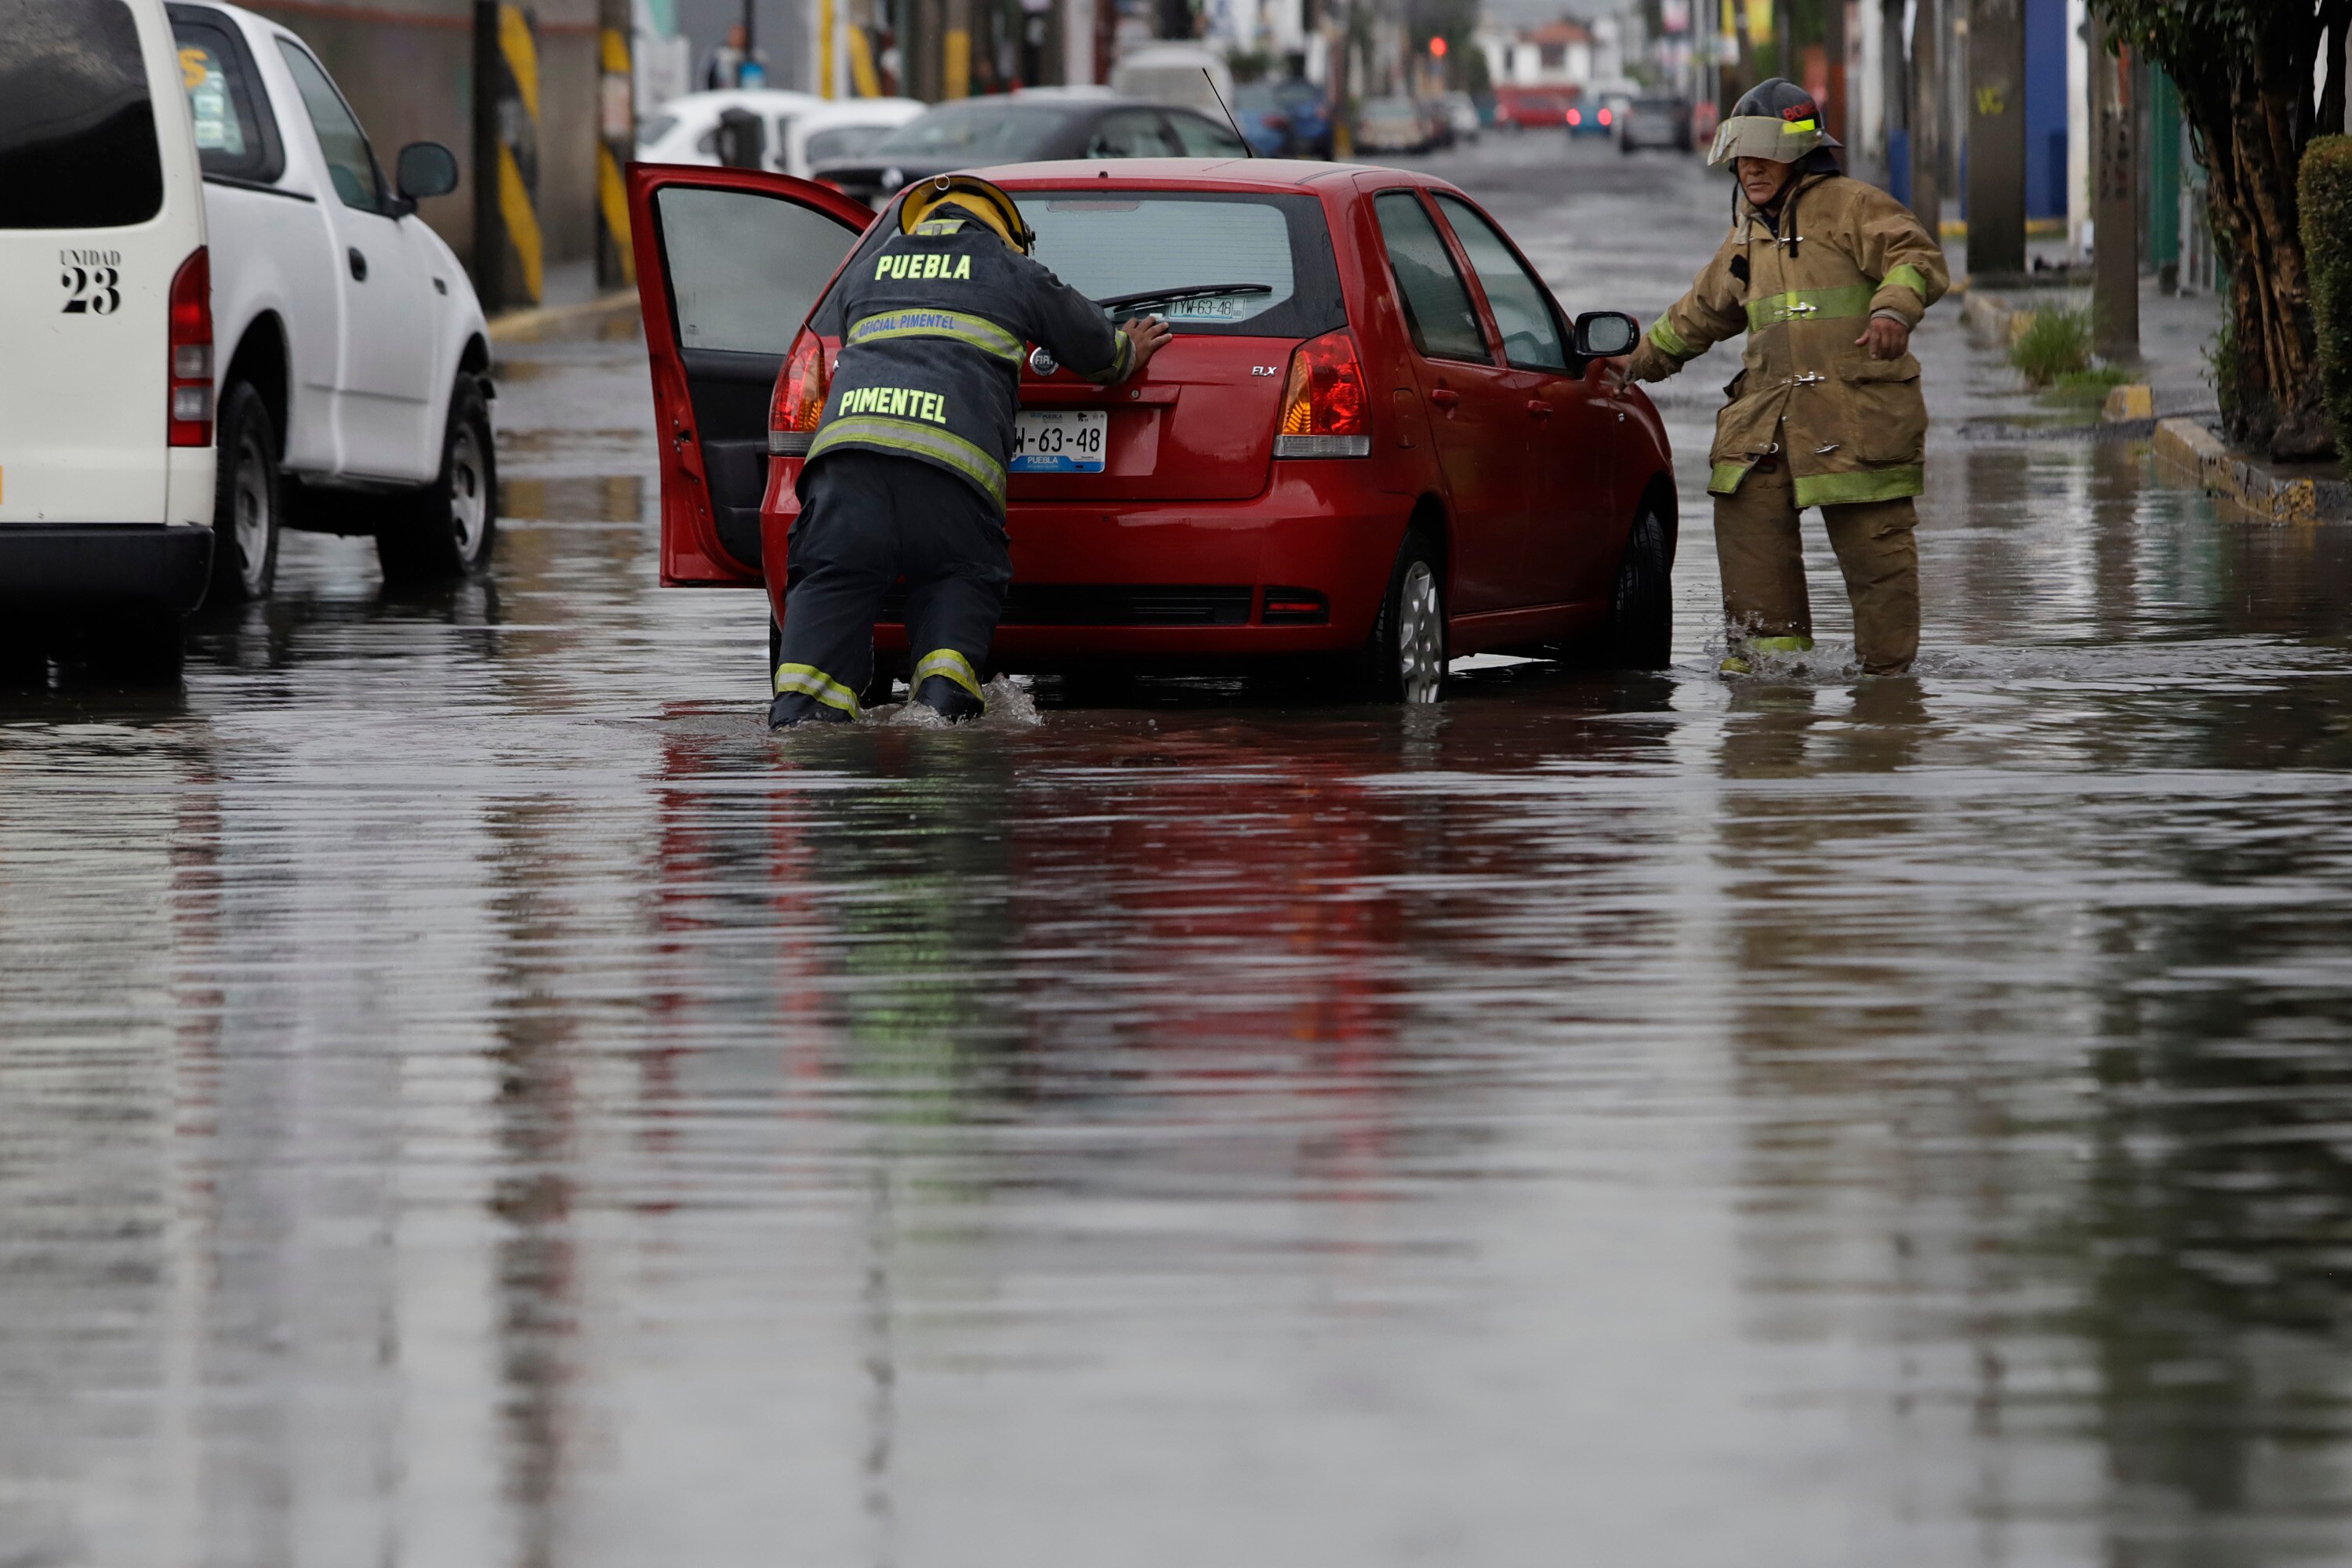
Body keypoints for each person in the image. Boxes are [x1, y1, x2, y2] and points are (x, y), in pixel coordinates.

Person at [770, 175, 1171, 728]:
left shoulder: (866, 274)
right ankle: (941, 745)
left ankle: (799, 752)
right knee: (950, 642)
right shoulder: (1012, 270)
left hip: (845, 477)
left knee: (812, 675)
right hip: (950, 480)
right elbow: (1099, 353)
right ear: (1005, 230)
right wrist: (1129, 348)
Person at [1620, 78, 1948, 676]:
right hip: (1766, 429)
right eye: (1741, 158)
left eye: (1762, 154)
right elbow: (1696, 315)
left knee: (1881, 575)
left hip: (1858, 424)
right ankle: (1773, 709)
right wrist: (1630, 366)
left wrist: (1892, 310)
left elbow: (1915, 256)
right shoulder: (1747, 233)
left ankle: (1886, 709)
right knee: (1751, 552)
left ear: (1800, 151)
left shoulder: (1854, 205)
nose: (1749, 169)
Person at [699, 23, 765, 90]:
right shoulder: (719, 54)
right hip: (724, 94)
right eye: (734, 34)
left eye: (741, 35)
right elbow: (706, 76)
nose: (737, 37)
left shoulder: (755, 56)